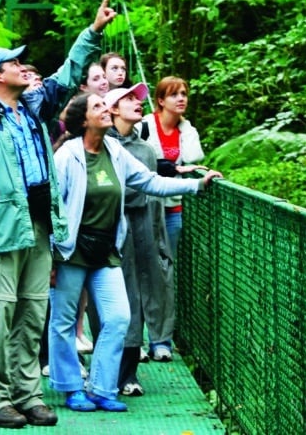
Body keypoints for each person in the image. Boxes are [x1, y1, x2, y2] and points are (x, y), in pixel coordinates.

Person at [0, 0, 117, 429]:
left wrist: (93, 31)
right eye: (16, 65)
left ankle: (27, 394)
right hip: (1, 229)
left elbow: (68, 74)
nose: (25, 68)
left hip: (39, 226)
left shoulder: (34, 108)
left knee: (32, 313)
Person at [49, 92, 222, 413]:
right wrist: (51, 257)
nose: (105, 110)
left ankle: (102, 387)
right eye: (98, 106)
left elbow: (150, 181)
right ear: (83, 120)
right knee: (62, 321)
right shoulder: (66, 156)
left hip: (106, 251)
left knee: (118, 318)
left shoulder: (115, 150)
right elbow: (53, 207)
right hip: (72, 252)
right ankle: (72, 387)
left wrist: (196, 185)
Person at [104, 83, 175, 395]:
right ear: (113, 109)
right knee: (108, 300)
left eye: (138, 99)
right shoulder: (99, 144)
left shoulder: (146, 150)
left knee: (137, 295)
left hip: (141, 227)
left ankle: (129, 374)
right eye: (128, 99)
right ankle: (105, 371)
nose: (137, 104)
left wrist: (158, 239)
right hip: (105, 230)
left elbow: (149, 191)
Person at [140, 75, 207, 362]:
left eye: (184, 94)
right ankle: (136, 339)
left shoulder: (185, 130)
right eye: (174, 95)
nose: (181, 99)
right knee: (140, 271)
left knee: (165, 273)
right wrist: (172, 167)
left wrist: (185, 128)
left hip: (173, 209)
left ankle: (161, 339)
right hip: (146, 208)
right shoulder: (144, 125)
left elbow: (194, 157)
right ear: (160, 100)